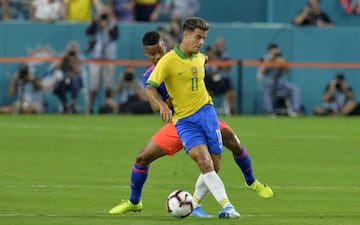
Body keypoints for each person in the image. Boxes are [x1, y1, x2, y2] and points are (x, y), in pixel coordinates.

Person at [108, 30, 273, 218]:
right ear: (146, 54)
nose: (157, 56)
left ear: (165, 47)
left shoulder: (181, 57)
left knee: (232, 142)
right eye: (152, 54)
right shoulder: (150, 75)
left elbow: (202, 58)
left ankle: (250, 182)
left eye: (159, 51)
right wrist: (163, 105)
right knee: (142, 158)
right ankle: (134, 202)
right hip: (179, 122)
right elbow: (153, 100)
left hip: (201, 115)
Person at [146, 17, 242, 219]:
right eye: (197, 37)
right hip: (184, 122)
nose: (200, 42)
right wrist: (162, 105)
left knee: (215, 165)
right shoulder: (168, 61)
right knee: (204, 162)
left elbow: (203, 59)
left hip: (207, 114)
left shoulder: (200, 57)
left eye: (203, 38)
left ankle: (195, 204)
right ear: (186, 34)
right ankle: (228, 207)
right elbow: (150, 87)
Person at [85, 7, 119, 113]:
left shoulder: (113, 25)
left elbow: (115, 36)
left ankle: (107, 105)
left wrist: (107, 27)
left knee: (108, 85)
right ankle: (90, 107)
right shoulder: (97, 24)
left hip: (109, 58)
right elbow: (88, 32)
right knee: (94, 84)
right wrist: (96, 20)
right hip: (96, 58)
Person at [257, 44, 302, 116]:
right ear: (269, 51)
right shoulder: (263, 59)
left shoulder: (281, 58)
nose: (276, 53)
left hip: (280, 84)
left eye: (277, 51)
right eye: (274, 51)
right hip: (269, 84)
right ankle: (269, 112)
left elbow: (288, 72)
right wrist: (269, 60)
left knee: (295, 89)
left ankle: (295, 110)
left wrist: (283, 64)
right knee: (265, 91)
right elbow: (260, 72)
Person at [204, 45, 236, 115]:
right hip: (206, 84)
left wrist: (216, 60)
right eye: (209, 52)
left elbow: (225, 69)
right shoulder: (202, 61)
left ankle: (232, 109)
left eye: (211, 52)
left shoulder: (216, 62)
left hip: (216, 84)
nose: (210, 54)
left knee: (227, 82)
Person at [52, 43, 83, 114]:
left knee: (74, 78)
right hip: (65, 82)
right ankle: (65, 102)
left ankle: (73, 101)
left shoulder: (80, 58)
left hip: (76, 82)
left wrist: (72, 63)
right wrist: (63, 57)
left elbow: (78, 73)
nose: (72, 53)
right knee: (57, 86)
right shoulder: (64, 59)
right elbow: (57, 68)